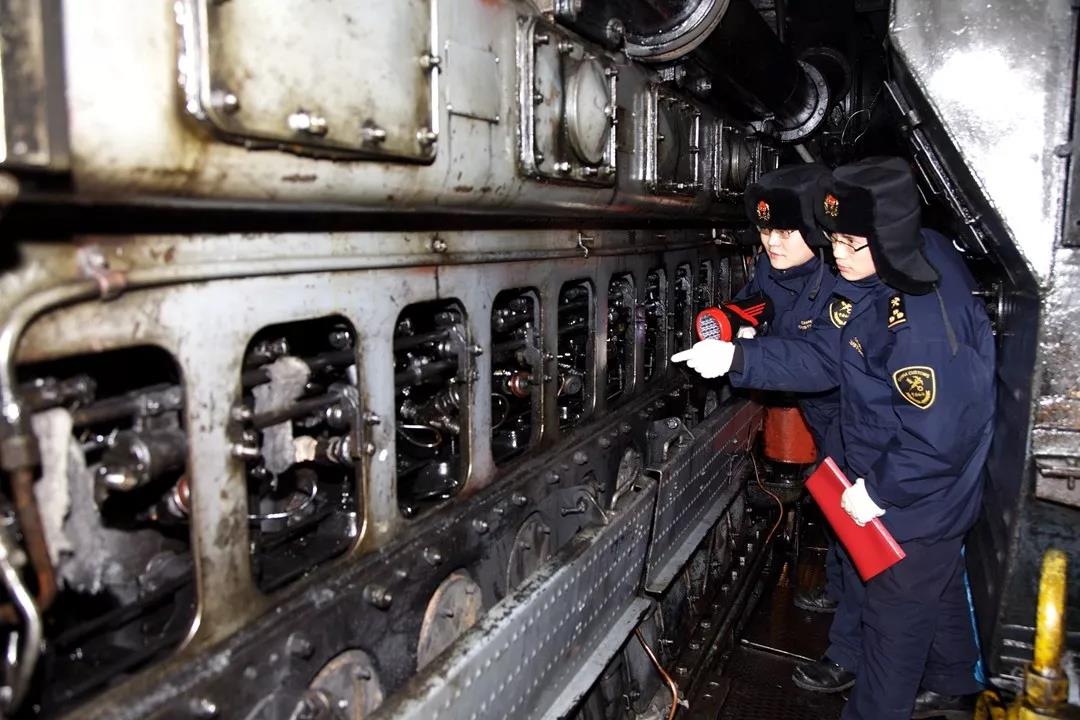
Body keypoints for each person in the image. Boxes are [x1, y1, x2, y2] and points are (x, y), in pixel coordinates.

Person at [674, 157, 995, 720]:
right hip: (891, 466)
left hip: (915, 497)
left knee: (890, 635)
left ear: (888, 238)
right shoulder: (885, 271)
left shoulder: (919, 322)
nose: (837, 253)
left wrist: (879, 491)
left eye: (849, 243)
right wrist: (738, 354)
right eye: (834, 239)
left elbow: (939, 436)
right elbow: (829, 351)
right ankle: (951, 684)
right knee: (936, 584)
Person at [701, 163, 848, 616]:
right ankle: (845, 588)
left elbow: (822, 361)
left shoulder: (843, 276)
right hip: (820, 410)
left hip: (857, 412)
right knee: (840, 505)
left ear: (817, 232)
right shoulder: (774, 263)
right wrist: (735, 320)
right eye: (766, 230)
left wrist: (741, 357)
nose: (772, 242)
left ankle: (853, 618)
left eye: (785, 231)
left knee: (858, 510)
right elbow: (760, 299)